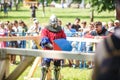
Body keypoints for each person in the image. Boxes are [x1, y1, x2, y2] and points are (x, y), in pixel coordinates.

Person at [39, 15, 67, 80]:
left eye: (56, 22)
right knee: (44, 67)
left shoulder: (60, 30)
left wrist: (59, 46)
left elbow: (64, 39)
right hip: (48, 50)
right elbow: (44, 40)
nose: (55, 23)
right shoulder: (45, 29)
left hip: (57, 51)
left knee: (57, 67)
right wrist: (52, 47)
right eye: (53, 22)